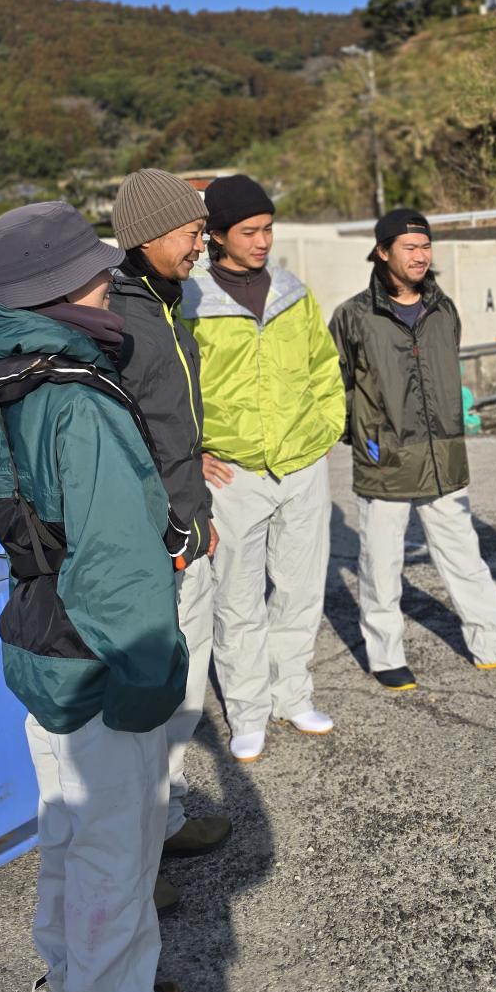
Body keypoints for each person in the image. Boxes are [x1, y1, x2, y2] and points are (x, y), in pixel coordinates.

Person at [0, 201, 188, 992]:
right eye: (93, 272)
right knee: (116, 858)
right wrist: (149, 682)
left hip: (40, 639)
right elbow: (121, 565)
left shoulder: (11, 380)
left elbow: (9, 513)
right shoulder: (82, 397)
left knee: (65, 830)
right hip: (100, 660)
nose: (106, 281)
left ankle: (66, 978)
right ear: (66, 287)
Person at [329, 207, 496, 691]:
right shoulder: (354, 316)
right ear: (383, 252)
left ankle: (494, 644)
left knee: (464, 555)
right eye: (409, 247)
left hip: (443, 454)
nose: (420, 255)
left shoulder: (443, 310)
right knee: (381, 565)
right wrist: (364, 436)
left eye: (425, 246)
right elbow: (335, 385)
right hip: (386, 457)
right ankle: (386, 656)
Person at [184, 175, 345, 762]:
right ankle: (248, 711)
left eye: (268, 228)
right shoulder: (192, 297)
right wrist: (193, 451)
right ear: (217, 235)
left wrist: (326, 426)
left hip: (302, 463)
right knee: (237, 596)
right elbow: (174, 383)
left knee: (301, 590)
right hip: (233, 472)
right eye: (249, 231)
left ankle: (291, 694)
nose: (262, 241)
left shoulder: (293, 291)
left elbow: (324, 365)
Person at [109, 168, 233, 860]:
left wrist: (197, 500)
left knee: (184, 686)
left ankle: (170, 817)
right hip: (148, 540)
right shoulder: (117, 319)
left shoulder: (167, 301)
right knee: (143, 699)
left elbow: (172, 419)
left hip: (188, 521)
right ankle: (133, 857)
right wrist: (160, 518)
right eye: (190, 232)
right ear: (150, 234)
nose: (200, 243)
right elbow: (119, 443)